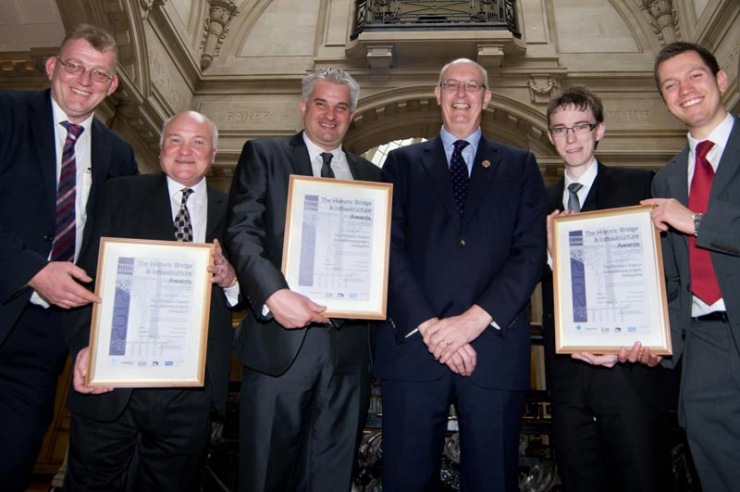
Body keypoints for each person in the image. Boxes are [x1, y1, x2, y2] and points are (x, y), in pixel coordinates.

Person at [374, 58, 547, 491]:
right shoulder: (401, 162)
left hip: (493, 347)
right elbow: (387, 250)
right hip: (415, 348)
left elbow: (530, 252)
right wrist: (432, 328)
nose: (462, 94)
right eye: (451, 85)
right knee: (405, 480)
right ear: (438, 94)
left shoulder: (520, 165)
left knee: (493, 480)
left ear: (487, 98)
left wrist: (472, 321)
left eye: (472, 86)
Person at [64, 110, 239, 491]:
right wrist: (83, 346)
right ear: (161, 149)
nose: (185, 151)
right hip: (111, 383)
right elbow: (85, 275)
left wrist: (230, 278)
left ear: (213, 154)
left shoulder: (236, 211)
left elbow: (246, 296)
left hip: (188, 394)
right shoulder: (118, 193)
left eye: (198, 142)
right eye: (175, 139)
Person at [225, 67, 379, 492]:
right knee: (265, 476)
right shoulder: (265, 154)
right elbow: (241, 232)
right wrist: (275, 294)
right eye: (321, 104)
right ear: (303, 106)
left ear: (353, 115)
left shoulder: (373, 177)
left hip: (350, 353)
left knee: (332, 478)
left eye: (342, 107)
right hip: (281, 346)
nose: (330, 116)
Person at [0, 24, 138, 490]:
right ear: (52, 67)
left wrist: (90, 342)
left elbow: (109, 255)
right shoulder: (6, 112)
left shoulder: (118, 155)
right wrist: (34, 270)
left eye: (99, 74)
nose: (84, 81)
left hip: (45, 339)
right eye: (75, 66)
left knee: (12, 462)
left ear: (112, 85)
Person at [540, 86, 676, 491]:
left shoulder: (639, 186)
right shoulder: (538, 201)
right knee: (579, 480)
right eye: (561, 129)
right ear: (550, 137)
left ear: (599, 130)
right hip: (567, 374)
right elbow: (524, 272)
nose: (571, 138)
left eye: (581, 126)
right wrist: (552, 253)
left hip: (630, 370)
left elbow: (663, 272)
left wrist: (653, 342)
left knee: (643, 478)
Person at [624, 41, 740, 492]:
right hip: (704, 350)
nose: (684, 90)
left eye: (695, 76)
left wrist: (693, 220)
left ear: (721, 81)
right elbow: (673, 283)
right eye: (670, 85)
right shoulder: (667, 179)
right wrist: (649, 342)